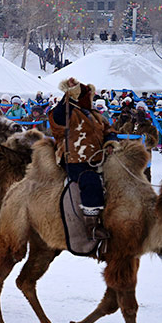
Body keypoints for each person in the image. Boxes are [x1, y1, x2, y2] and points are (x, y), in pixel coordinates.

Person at [49, 77, 117, 242]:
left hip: (100, 158)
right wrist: (70, 94)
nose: (89, 98)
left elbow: (109, 130)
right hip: (75, 160)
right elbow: (56, 118)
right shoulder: (66, 112)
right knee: (90, 181)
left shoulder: (96, 115)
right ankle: (91, 226)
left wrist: (110, 142)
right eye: (85, 94)